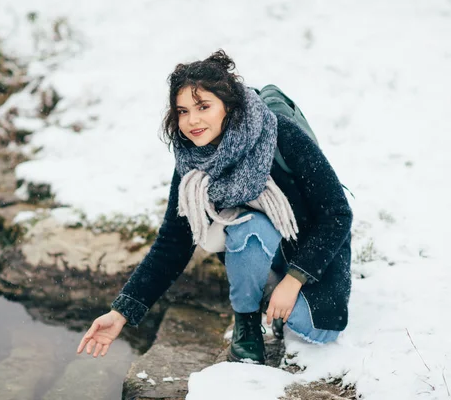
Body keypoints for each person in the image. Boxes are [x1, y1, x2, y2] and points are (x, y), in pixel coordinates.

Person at [76, 49, 352, 364]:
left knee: (314, 328)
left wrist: (294, 280)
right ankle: (247, 324)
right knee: (246, 226)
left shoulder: (280, 135)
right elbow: (172, 244)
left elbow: (337, 215)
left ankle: (271, 296)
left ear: (229, 107)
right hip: (264, 249)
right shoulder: (193, 162)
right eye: (182, 111)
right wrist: (122, 312)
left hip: (311, 260)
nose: (192, 120)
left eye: (203, 106)